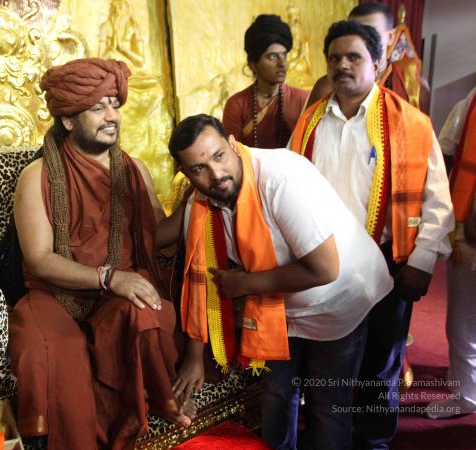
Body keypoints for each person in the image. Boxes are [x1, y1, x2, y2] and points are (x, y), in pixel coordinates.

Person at [160, 114, 393, 450]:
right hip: (277, 309)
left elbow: (324, 269)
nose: (216, 173)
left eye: (219, 156)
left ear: (232, 144)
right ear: (186, 173)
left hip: (338, 298)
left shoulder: (281, 178)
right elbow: (199, 274)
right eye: (199, 168)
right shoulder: (200, 201)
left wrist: (245, 285)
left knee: (327, 406)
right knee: (275, 397)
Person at [8, 58, 191, 450]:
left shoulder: (134, 169)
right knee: (49, 349)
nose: (112, 116)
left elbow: (155, 236)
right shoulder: (37, 176)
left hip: (117, 292)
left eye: (114, 105)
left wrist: (195, 200)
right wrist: (109, 277)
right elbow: (40, 259)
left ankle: (156, 410)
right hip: (55, 294)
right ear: (68, 120)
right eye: (97, 107)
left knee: (148, 312)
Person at [290, 21, 454, 450]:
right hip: (324, 266)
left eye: (354, 57)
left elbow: (437, 200)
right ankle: (329, 435)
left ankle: (374, 441)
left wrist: (421, 262)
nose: (342, 65)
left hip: (388, 262)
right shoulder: (310, 121)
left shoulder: (411, 123)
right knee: (328, 362)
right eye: (334, 58)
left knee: (380, 362)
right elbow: (289, 187)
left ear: (378, 63)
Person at [426, 83, 476, 419]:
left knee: (470, 325)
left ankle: (468, 390)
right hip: (468, 234)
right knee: (466, 322)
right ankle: (467, 388)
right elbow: (444, 156)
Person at [305, 3, 430, 115]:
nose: (362, 40)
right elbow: (307, 131)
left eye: (372, 32)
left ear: (390, 37)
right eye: (355, 33)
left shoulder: (412, 87)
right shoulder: (327, 86)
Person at [222, 14, 308, 149]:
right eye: (272, 57)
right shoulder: (237, 105)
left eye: (284, 55)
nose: (282, 63)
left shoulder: (303, 100)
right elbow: (231, 154)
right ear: (253, 65)